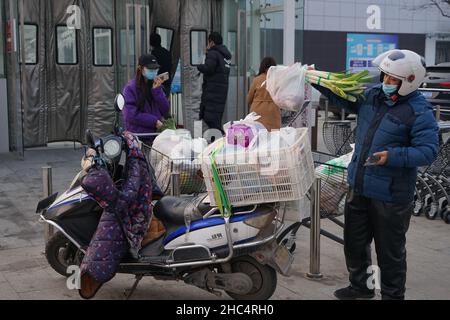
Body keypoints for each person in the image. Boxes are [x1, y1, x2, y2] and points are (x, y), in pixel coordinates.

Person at [313, 49, 439, 300]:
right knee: (355, 243)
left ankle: (392, 295)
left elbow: (427, 151)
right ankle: (361, 287)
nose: (387, 83)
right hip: (359, 185)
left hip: (391, 196)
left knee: (390, 251)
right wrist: (320, 82)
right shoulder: (373, 96)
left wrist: (392, 156)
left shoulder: (419, 111)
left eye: (394, 80)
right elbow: (345, 100)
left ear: (410, 81)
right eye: (385, 76)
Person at [122, 54, 170, 143]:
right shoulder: (130, 88)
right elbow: (131, 115)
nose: (154, 71)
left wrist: (157, 91)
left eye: (156, 69)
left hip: (156, 136)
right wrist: (154, 121)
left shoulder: (157, 86)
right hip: (137, 137)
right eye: (150, 69)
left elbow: (165, 109)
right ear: (140, 69)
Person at [197, 32, 232, 133]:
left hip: (212, 93)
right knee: (214, 119)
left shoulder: (213, 53)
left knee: (210, 120)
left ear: (211, 42)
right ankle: (216, 140)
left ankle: (220, 141)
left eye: (208, 42)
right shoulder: (225, 56)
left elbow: (209, 68)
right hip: (220, 93)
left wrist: (199, 66)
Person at [247, 57, 281, 131]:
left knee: (258, 135)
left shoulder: (257, 79)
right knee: (273, 135)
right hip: (273, 111)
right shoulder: (277, 79)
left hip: (257, 111)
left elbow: (249, 98)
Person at [150, 33, 173, 98]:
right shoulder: (167, 52)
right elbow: (170, 66)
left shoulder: (152, 54)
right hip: (166, 82)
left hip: (156, 83)